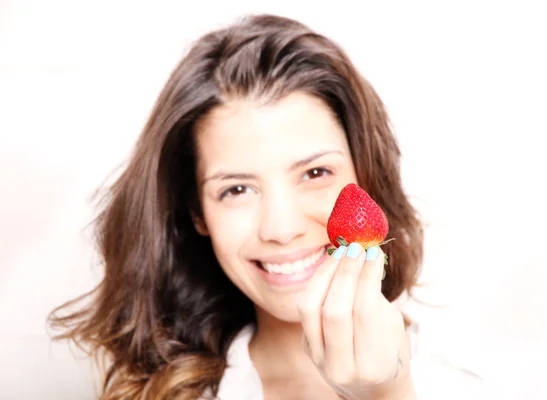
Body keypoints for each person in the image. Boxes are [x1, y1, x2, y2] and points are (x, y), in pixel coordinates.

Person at [48, 14, 424, 400]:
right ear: (197, 213)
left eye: (315, 172)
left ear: (366, 175)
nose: (281, 228)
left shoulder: (469, 376)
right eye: (238, 189)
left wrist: (389, 394)